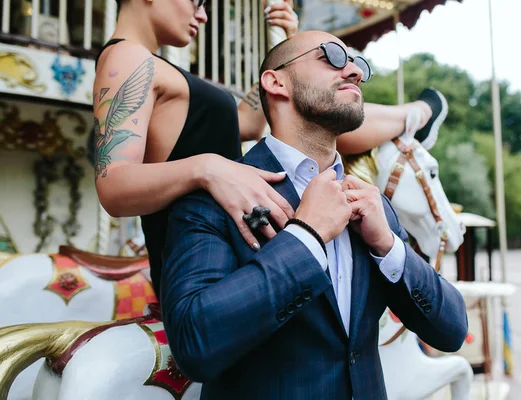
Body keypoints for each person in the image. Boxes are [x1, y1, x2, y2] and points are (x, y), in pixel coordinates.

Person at [160, 30, 467, 399]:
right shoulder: (210, 199)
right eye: (333, 57)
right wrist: (306, 236)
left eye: (357, 63)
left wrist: (388, 247)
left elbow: (451, 330)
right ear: (276, 82)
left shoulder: (372, 206)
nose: (354, 71)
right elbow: (194, 344)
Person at [92, 0, 447, 297]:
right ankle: (414, 116)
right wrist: (209, 168)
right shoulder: (128, 57)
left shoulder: (157, 68)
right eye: (196, 1)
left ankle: (413, 116)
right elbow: (114, 185)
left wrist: (290, 58)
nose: (201, 14)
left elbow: (246, 122)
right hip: (203, 266)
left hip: (230, 253)